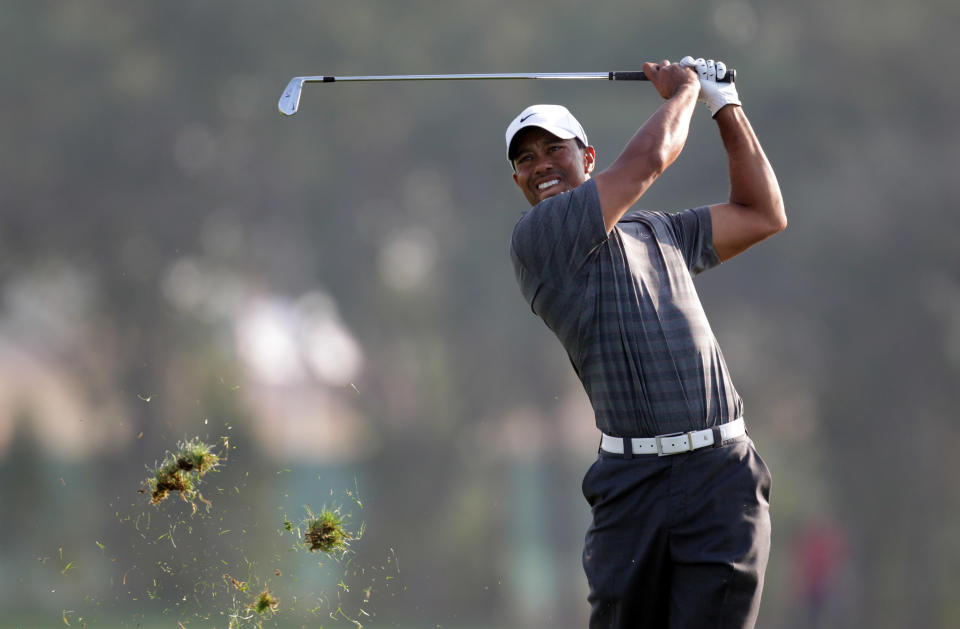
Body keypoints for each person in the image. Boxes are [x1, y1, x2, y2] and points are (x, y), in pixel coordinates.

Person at [505, 57, 786, 628]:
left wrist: (724, 102)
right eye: (525, 159)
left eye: (554, 149)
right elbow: (650, 159)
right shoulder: (539, 239)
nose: (540, 166)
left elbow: (762, 213)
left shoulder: (659, 231)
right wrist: (686, 92)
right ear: (517, 181)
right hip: (632, 488)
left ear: (586, 157)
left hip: (721, 475)